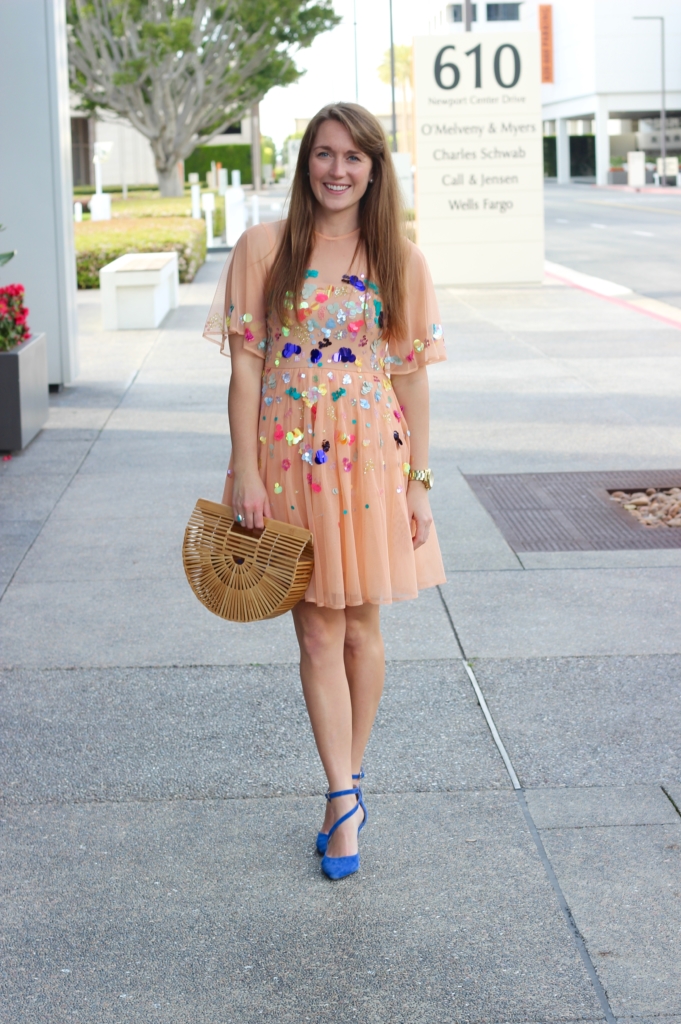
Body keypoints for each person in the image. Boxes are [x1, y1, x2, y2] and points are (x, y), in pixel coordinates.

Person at [204, 102, 446, 880]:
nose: (336, 169)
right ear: (305, 161)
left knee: (360, 629)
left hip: (373, 461)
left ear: (375, 168)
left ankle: (347, 785)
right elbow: (245, 368)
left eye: (352, 157)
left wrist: (419, 485)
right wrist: (243, 468)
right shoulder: (263, 247)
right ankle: (342, 796)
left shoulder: (400, 259)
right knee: (313, 633)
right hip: (286, 457)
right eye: (323, 154)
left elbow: (409, 378)